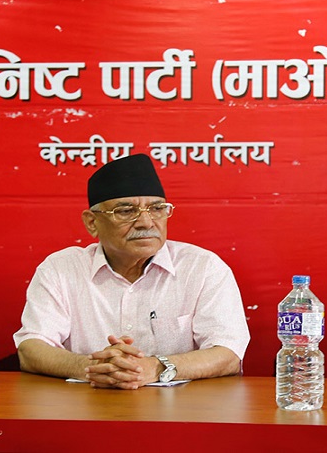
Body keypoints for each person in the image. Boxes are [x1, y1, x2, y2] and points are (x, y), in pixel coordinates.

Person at [13, 154, 250, 389]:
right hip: (85, 405)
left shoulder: (203, 268)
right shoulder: (61, 269)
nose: (146, 222)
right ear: (92, 223)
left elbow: (228, 354)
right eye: (126, 211)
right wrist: (93, 368)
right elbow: (31, 348)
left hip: (182, 409)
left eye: (157, 209)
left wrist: (156, 368)